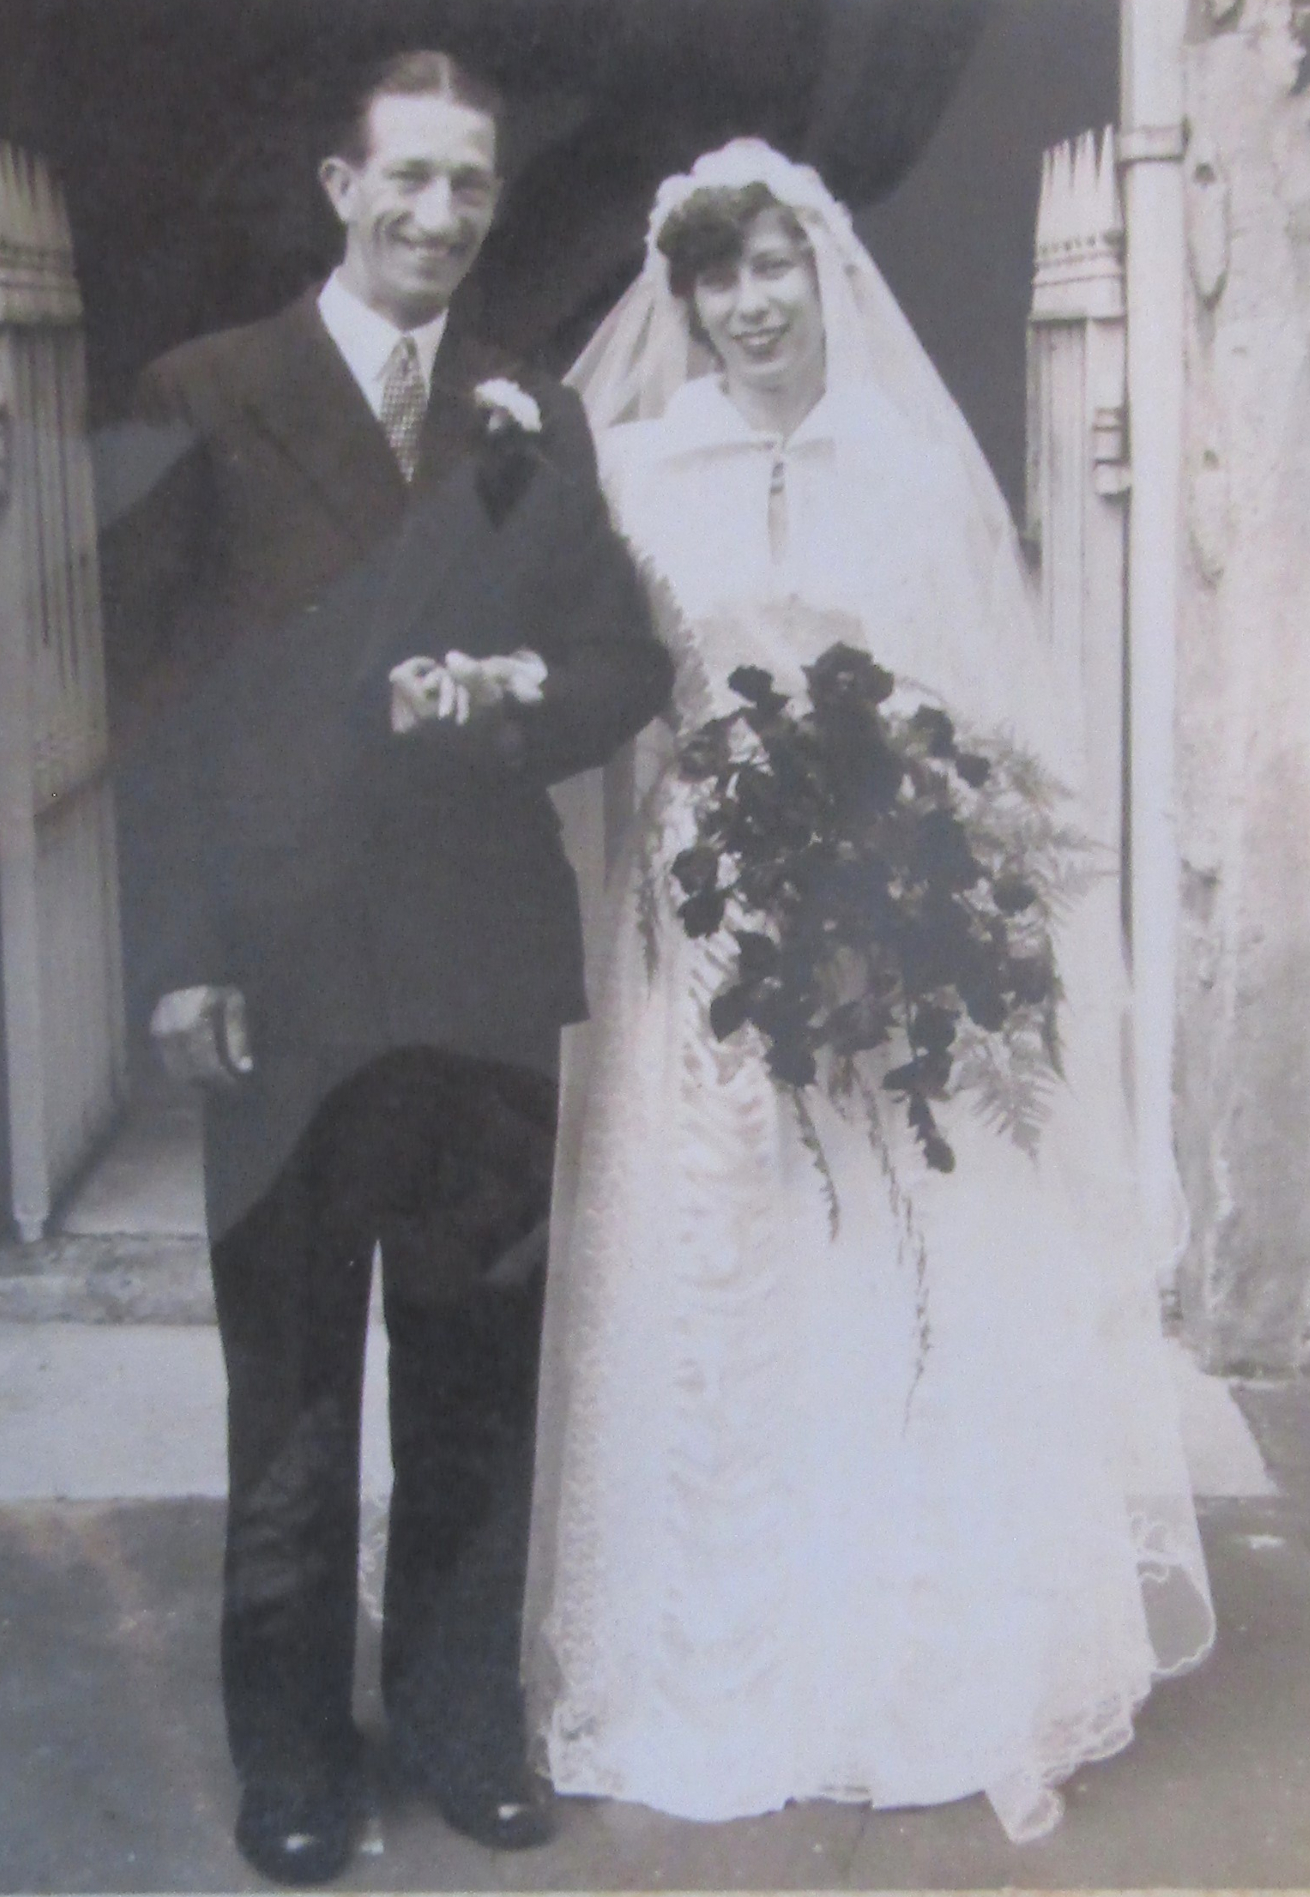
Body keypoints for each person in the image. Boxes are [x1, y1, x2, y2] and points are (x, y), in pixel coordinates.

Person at [524, 140, 1215, 1846]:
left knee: (889, 1241)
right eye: (713, 275)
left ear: (824, 270)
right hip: (697, 919)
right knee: (721, 1243)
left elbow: (981, 718)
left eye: (774, 263)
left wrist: (919, 899)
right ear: (678, 299)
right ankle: (710, 1646)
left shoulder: (907, 465)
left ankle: (909, 1652)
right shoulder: (639, 464)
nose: (748, 303)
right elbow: (614, 678)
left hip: (881, 904)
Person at [102, 51, 670, 1886]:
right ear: (342, 189)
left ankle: (454, 1728)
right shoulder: (210, 393)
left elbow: (619, 665)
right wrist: (175, 958)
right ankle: (292, 1757)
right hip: (280, 981)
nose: (439, 218)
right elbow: (150, 706)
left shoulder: (526, 411)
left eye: (470, 191)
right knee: (287, 1401)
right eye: (408, 181)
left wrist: (520, 701)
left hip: (479, 971)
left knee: (471, 1380)